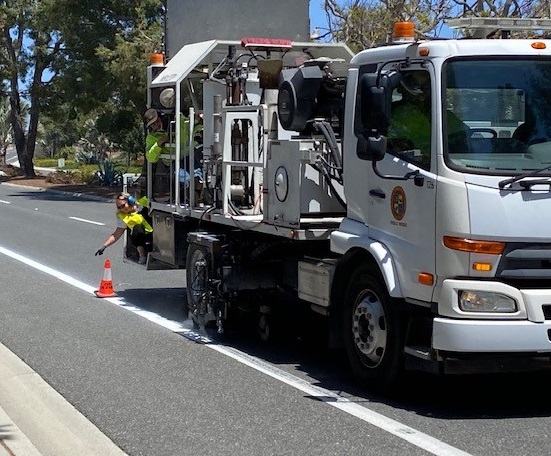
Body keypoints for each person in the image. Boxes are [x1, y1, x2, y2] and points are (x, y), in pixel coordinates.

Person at [95, 192, 153, 265]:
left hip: (156, 231)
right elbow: (117, 233)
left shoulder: (143, 203)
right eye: (119, 207)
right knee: (135, 229)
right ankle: (142, 255)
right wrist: (104, 246)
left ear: (130, 201)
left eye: (123, 205)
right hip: (144, 236)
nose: (122, 209)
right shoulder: (123, 216)